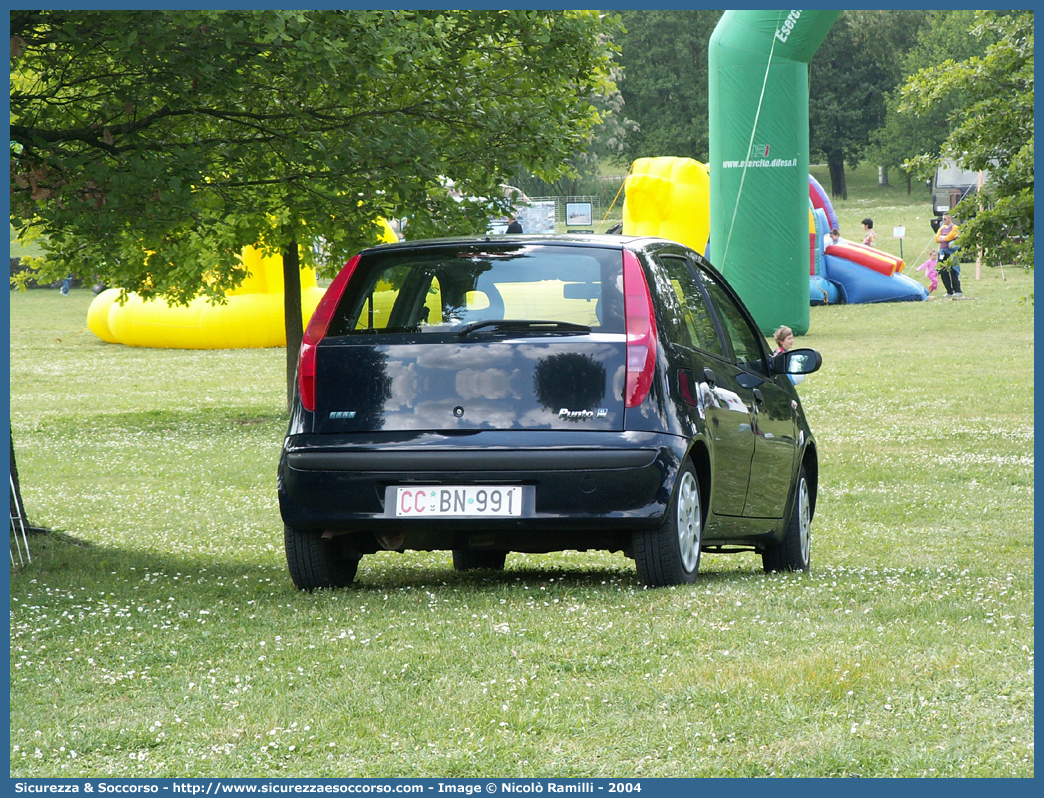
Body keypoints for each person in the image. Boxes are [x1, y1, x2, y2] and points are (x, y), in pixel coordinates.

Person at [934, 213, 964, 299]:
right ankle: (949, 291)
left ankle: (957, 290)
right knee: (943, 271)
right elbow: (936, 238)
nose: (944, 221)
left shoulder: (955, 228)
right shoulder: (942, 228)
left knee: (953, 271)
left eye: (945, 219)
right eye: (943, 219)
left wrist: (943, 238)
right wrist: (943, 238)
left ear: (950, 218)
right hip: (942, 252)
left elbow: (950, 237)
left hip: (951, 253)